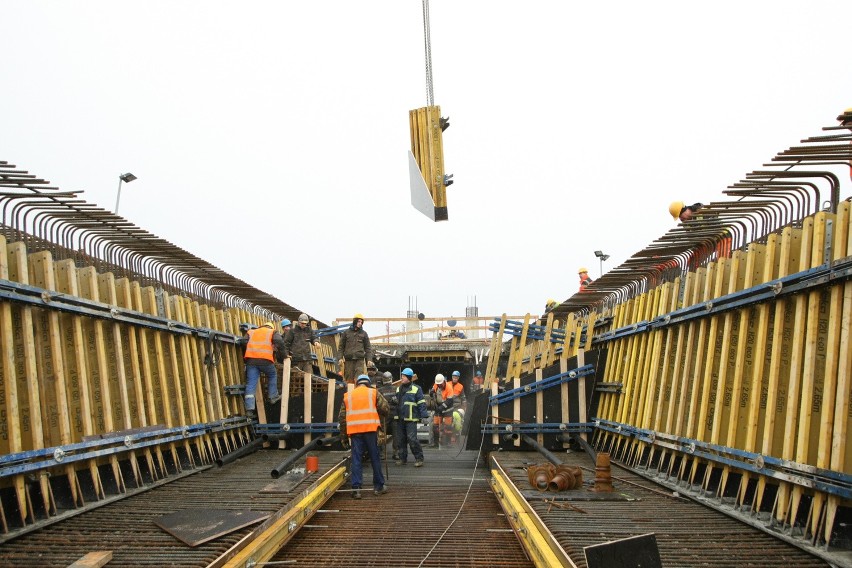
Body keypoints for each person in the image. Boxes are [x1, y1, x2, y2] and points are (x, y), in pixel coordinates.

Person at [338, 374, 389, 498]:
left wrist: (343, 437)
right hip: (370, 430)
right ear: (368, 383)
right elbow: (386, 408)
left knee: (356, 459)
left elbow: (342, 418)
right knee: (374, 457)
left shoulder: (348, 396)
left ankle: (356, 489)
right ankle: (379, 487)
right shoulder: (373, 393)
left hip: (355, 431)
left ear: (357, 384)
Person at [243, 321, 285, 418]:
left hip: (251, 361)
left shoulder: (251, 331)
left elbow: (243, 342)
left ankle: (249, 410)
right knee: (272, 375)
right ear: (271, 327)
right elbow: (279, 341)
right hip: (265, 360)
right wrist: (284, 355)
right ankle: (273, 396)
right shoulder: (272, 332)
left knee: (251, 383)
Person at [396, 367, 427, 467]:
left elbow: (421, 402)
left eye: (404, 376)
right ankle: (402, 458)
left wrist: (424, 415)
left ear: (409, 378)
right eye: (402, 376)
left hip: (411, 418)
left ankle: (419, 458)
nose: (402, 378)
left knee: (412, 439)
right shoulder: (398, 389)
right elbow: (396, 402)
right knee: (401, 440)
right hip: (400, 418)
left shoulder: (417, 389)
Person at [338, 313, 373, 384]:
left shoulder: (364, 334)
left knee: (358, 379)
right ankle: (350, 394)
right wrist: (340, 358)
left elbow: (368, 348)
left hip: (359, 361)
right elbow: (341, 347)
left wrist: (369, 359)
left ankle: (357, 393)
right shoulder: (346, 333)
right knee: (349, 380)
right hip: (348, 361)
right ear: (354, 321)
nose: (360, 323)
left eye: (361, 322)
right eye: (358, 321)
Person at [377, 370, 399, 460]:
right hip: (394, 415)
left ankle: (381, 453)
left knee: (381, 434)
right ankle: (396, 453)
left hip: (383, 415)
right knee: (396, 434)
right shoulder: (396, 389)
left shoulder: (379, 391)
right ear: (391, 379)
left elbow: (377, 404)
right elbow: (399, 402)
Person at [430, 374, 455, 447]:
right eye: (438, 384)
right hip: (438, 408)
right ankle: (436, 443)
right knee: (435, 426)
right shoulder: (436, 384)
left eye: (440, 384)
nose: (439, 386)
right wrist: (431, 392)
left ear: (444, 382)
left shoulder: (449, 388)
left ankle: (448, 443)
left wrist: (441, 407)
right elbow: (433, 390)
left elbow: (449, 401)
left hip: (448, 409)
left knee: (448, 426)